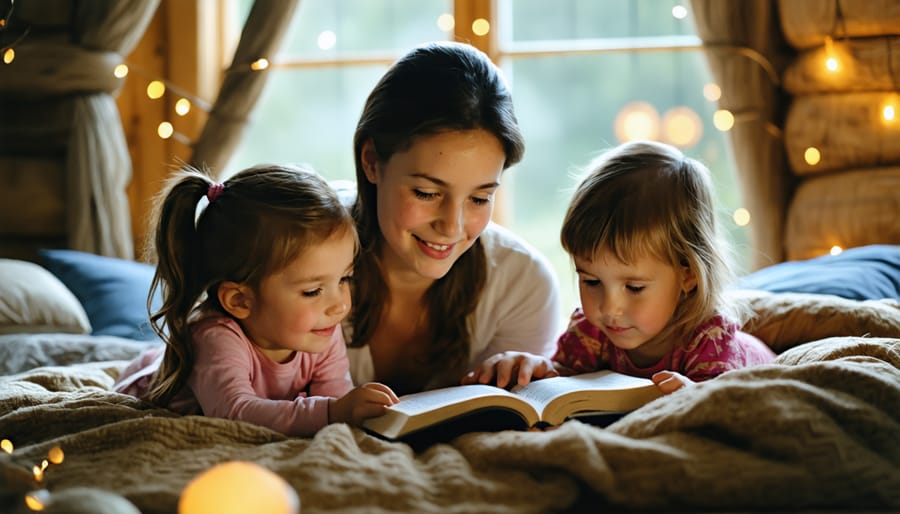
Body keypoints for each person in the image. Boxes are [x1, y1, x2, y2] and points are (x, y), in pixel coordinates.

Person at [464, 140, 776, 394]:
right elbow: (565, 382)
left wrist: (694, 394)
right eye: (591, 282)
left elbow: (725, 404)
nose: (609, 308)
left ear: (688, 275)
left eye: (634, 287)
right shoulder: (590, 331)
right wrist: (534, 368)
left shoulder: (709, 336)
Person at [113, 163, 398, 437]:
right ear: (239, 300)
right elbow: (234, 412)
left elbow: (333, 403)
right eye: (312, 291)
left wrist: (348, 409)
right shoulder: (214, 338)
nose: (340, 305)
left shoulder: (320, 332)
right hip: (148, 388)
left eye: (344, 279)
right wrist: (331, 412)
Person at [344, 41, 562, 395]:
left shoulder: (522, 284)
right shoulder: (291, 254)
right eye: (427, 194)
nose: (452, 227)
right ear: (371, 161)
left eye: (480, 198)